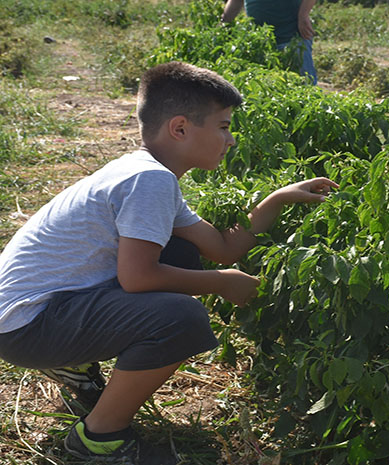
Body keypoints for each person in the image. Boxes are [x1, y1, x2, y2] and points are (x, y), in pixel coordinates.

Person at [0, 61, 338, 463]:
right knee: (181, 318)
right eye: (224, 126)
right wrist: (223, 283)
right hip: (28, 325)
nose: (230, 140)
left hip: (31, 315)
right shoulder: (150, 181)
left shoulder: (146, 173)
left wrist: (279, 199)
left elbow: (221, 247)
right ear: (179, 128)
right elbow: (139, 277)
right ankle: (98, 439)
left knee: (179, 253)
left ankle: (75, 365)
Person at [221, 0, 318, 85]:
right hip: (260, 43)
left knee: (303, 83)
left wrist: (303, 14)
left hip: (291, 37)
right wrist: (224, 25)